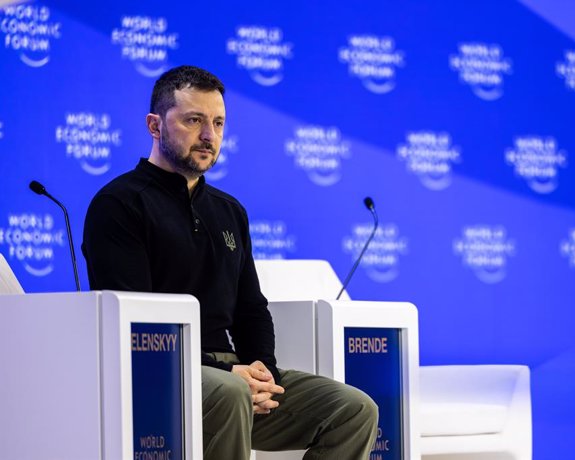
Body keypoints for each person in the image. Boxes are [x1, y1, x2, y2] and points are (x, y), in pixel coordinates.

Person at [82, 65, 378, 459]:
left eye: (218, 123)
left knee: (353, 409)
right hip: (162, 371)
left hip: (235, 374)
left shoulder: (229, 210)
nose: (209, 136)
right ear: (155, 125)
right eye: (194, 120)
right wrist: (228, 376)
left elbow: (252, 309)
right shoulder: (119, 204)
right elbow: (136, 327)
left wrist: (264, 374)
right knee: (231, 392)